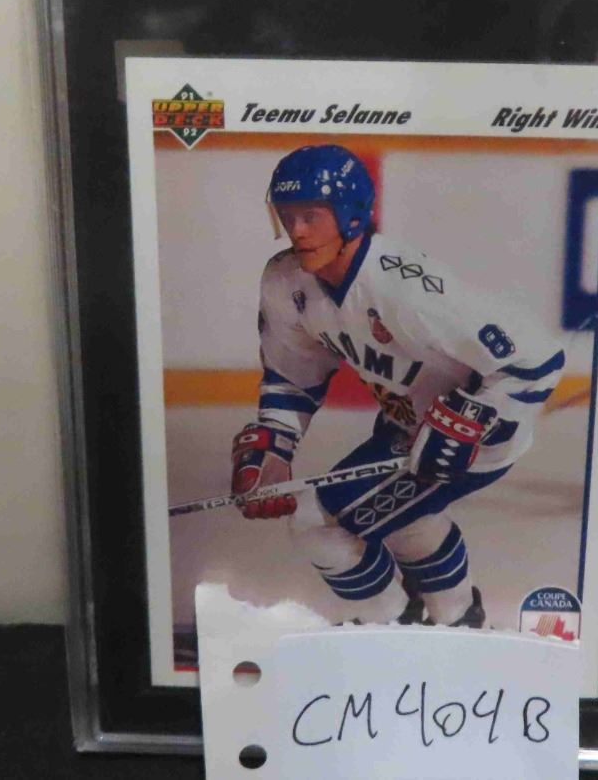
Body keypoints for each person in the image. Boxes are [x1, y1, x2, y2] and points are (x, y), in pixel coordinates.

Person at [231, 143, 566, 626]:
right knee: (410, 520)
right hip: (406, 427)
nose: (297, 230)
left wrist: (469, 424)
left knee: (316, 525)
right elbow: (293, 376)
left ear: (349, 215)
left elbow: (537, 359)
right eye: (288, 215)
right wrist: (276, 447)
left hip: (473, 441)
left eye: (311, 215)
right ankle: (457, 619)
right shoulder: (287, 282)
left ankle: (390, 626)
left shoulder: (403, 287)